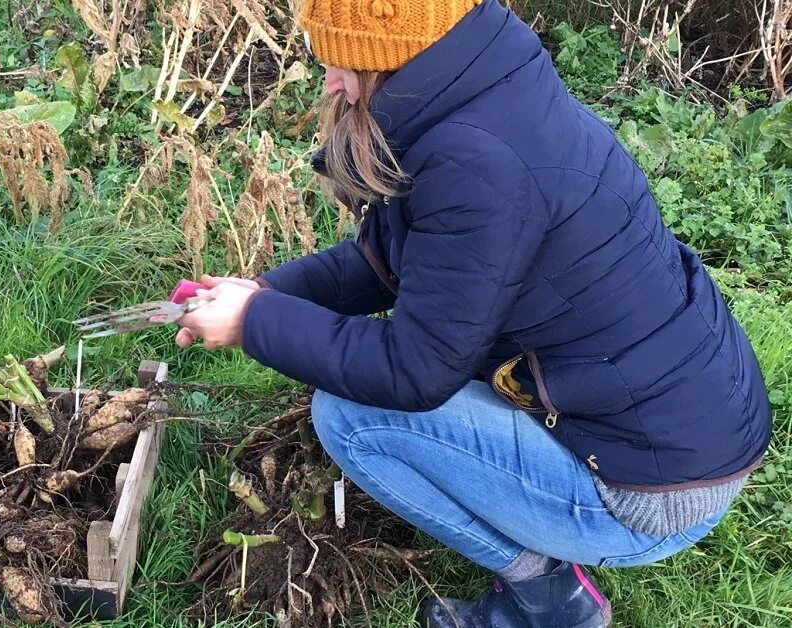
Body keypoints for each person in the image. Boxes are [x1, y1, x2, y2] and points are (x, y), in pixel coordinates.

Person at [173, 0, 773, 626]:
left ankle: (550, 598)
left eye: (343, 62)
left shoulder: (477, 164)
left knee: (351, 418)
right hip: (685, 433)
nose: (330, 82)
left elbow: (415, 372)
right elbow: (387, 262)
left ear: (391, 56)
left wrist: (255, 322)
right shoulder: (490, 95)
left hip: (646, 493)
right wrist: (264, 290)